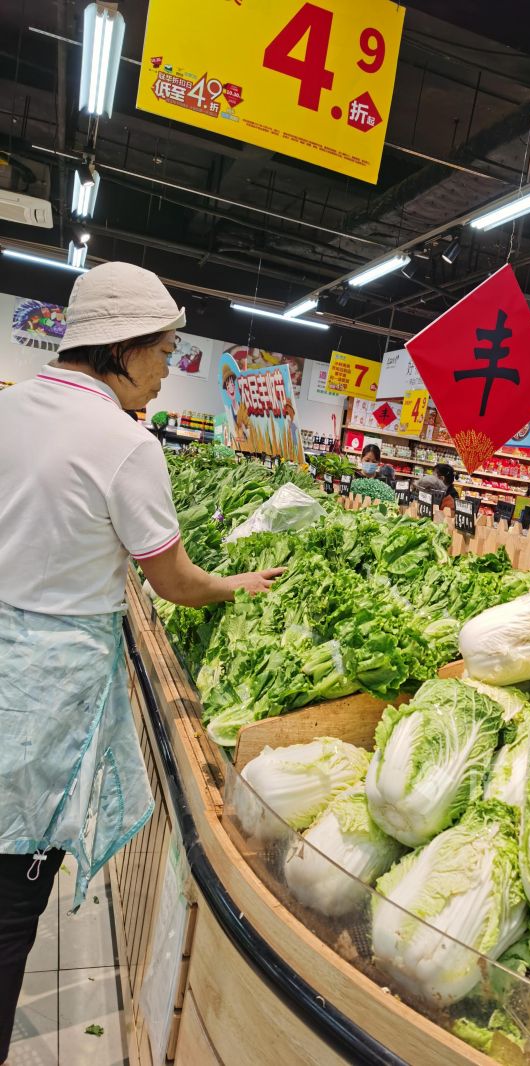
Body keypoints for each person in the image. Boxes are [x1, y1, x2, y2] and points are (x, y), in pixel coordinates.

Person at [0, 261, 284, 1063]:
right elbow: (176, 583)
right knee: (11, 901)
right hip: (39, 706)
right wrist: (236, 585)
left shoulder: (11, 409)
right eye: (163, 353)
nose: (167, 372)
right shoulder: (126, 447)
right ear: (122, 348)